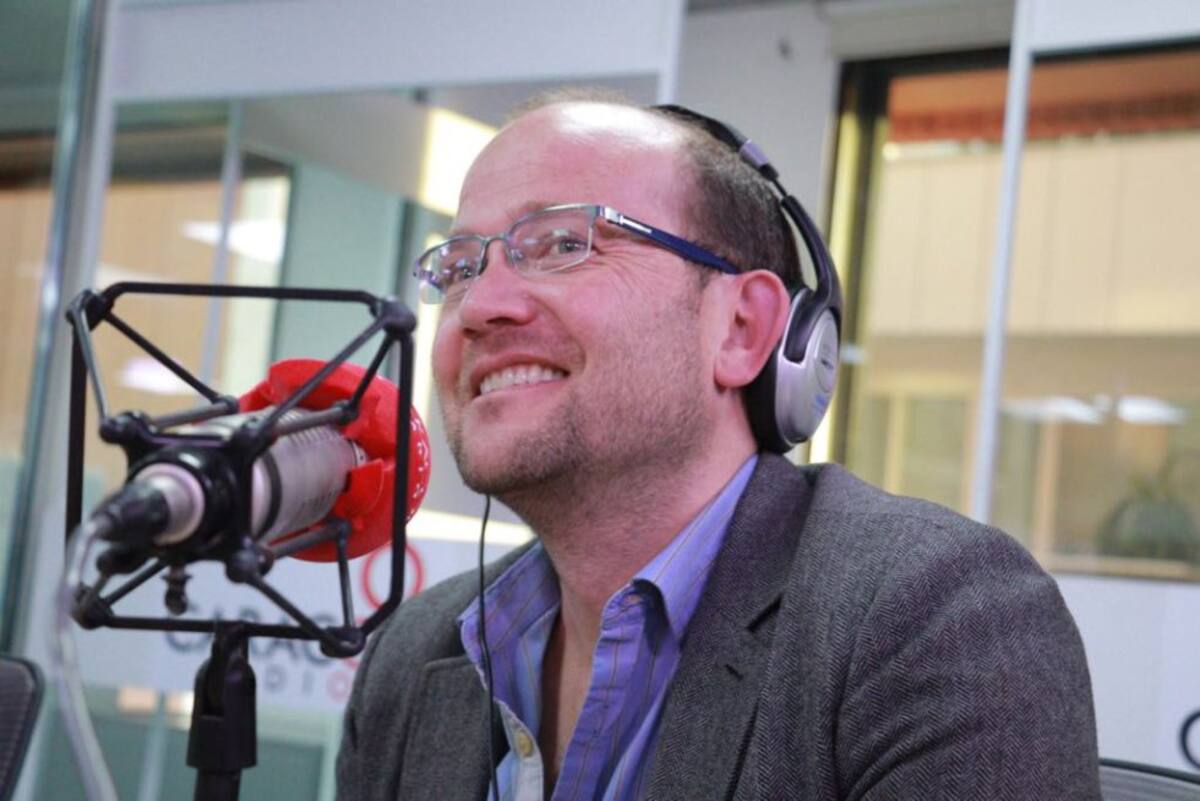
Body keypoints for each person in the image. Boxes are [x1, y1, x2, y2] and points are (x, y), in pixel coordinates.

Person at [336, 96, 1101, 801]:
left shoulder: (933, 619)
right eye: (459, 267)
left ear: (742, 329)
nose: (480, 306)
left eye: (566, 242)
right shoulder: (413, 653)